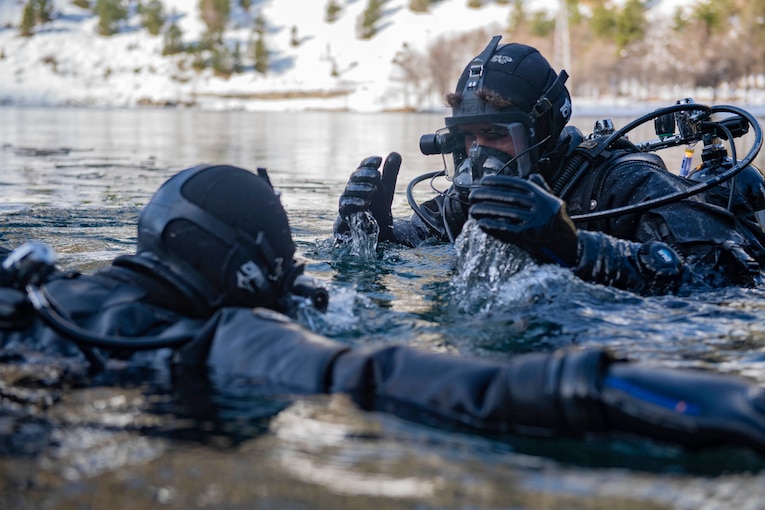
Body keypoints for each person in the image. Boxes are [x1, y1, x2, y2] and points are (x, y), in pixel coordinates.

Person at [2, 163, 765, 455]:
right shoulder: (226, 337)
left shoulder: (40, 285)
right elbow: (415, 380)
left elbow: (714, 274)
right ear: (245, 275)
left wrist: (571, 245)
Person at [334, 35, 765, 295]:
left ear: (543, 129)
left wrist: (573, 248)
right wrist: (371, 231)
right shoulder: (467, 199)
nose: (481, 152)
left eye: (497, 135)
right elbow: (414, 245)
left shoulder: (622, 183)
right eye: (469, 137)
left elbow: (722, 278)